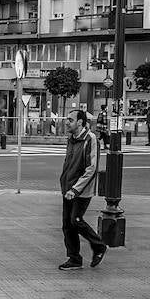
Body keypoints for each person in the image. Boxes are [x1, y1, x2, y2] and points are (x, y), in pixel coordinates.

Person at [58, 109, 107, 271]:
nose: (67, 122)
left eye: (70, 120)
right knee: (67, 225)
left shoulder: (90, 139)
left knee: (75, 220)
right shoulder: (71, 138)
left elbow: (91, 168)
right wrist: (65, 185)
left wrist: (75, 189)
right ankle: (74, 259)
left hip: (81, 190)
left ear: (80, 122)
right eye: (67, 119)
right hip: (68, 188)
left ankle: (99, 246)